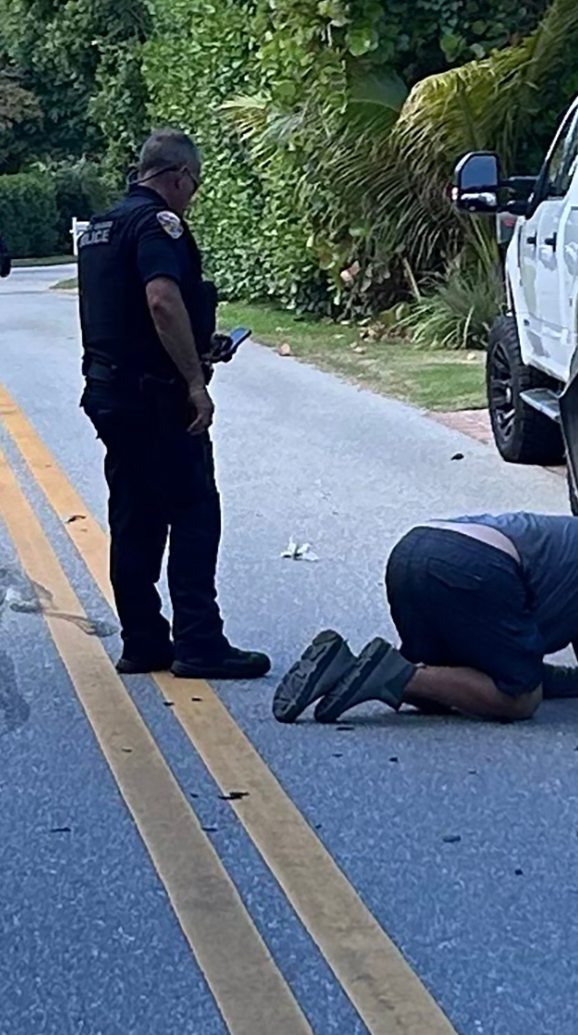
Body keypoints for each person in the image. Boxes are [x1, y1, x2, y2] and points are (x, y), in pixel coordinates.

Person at [76, 129, 270, 680]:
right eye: (195, 186)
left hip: (110, 392)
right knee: (192, 510)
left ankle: (142, 641)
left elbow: (125, 315)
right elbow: (161, 301)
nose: (192, 197)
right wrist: (194, 381)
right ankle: (199, 642)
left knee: (134, 515)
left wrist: (200, 345)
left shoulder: (99, 229)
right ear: (180, 176)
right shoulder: (159, 224)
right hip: (156, 396)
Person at [275, 514, 578, 724]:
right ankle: (394, 674)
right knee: (519, 699)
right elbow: (528, 678)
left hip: (414, 549)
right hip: (475, 564)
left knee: (446, 690)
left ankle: (345, 667)